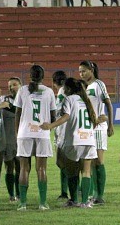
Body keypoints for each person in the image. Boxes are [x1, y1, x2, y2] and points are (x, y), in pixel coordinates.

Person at [40, 78, 98, 208]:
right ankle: (85, 202)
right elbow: (94, 120)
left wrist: (50, 126)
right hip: (89, 139)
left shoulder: (69, 99)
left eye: (65, 88)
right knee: (86, 172)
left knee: (72, 172)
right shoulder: (86, 100)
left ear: (69, 89)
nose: (63, 90)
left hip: (74, 140)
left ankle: (74, 200)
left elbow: (66, 117)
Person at [13, 65, 57, 211]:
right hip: (42, 133)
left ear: (30, 76)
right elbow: (53, 116)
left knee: (24, 169)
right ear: (43, 76)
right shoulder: (49, 92)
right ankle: (43, 203)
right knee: (41, 169)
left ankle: (22, 203)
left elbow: (17, 114)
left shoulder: (22, 90)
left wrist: (16, 132)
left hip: (24, 132)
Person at [79, 61, 114, 205]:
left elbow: (108, 103)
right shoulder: (84, 87)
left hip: (99, 127)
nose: (81, 74)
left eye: (84, 71)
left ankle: (100, 195)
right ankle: (93, 194)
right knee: (90, 161)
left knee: (99, 160)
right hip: (88, 128)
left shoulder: (99, 84)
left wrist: (110, 124)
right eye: (80, 72)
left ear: (91, 70)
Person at [0, 77, 22, 202]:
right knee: (9, 167)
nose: (11, 87)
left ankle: (20, 193)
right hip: (8, 140)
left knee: (21, 168)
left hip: (22, 140)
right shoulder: (3, 100)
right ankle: (12, 195)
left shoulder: (25, 100)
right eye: (10, 85)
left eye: (14, 85)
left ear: (21, 86)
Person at [52, 70, 69, 201]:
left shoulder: (62, 93)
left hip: (63, 131)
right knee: (65, 162)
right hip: (64, 130)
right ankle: (67, 191)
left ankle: (65, 192)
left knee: (62, 162)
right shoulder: (66, 92)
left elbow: (61, 113)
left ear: (53, 83)